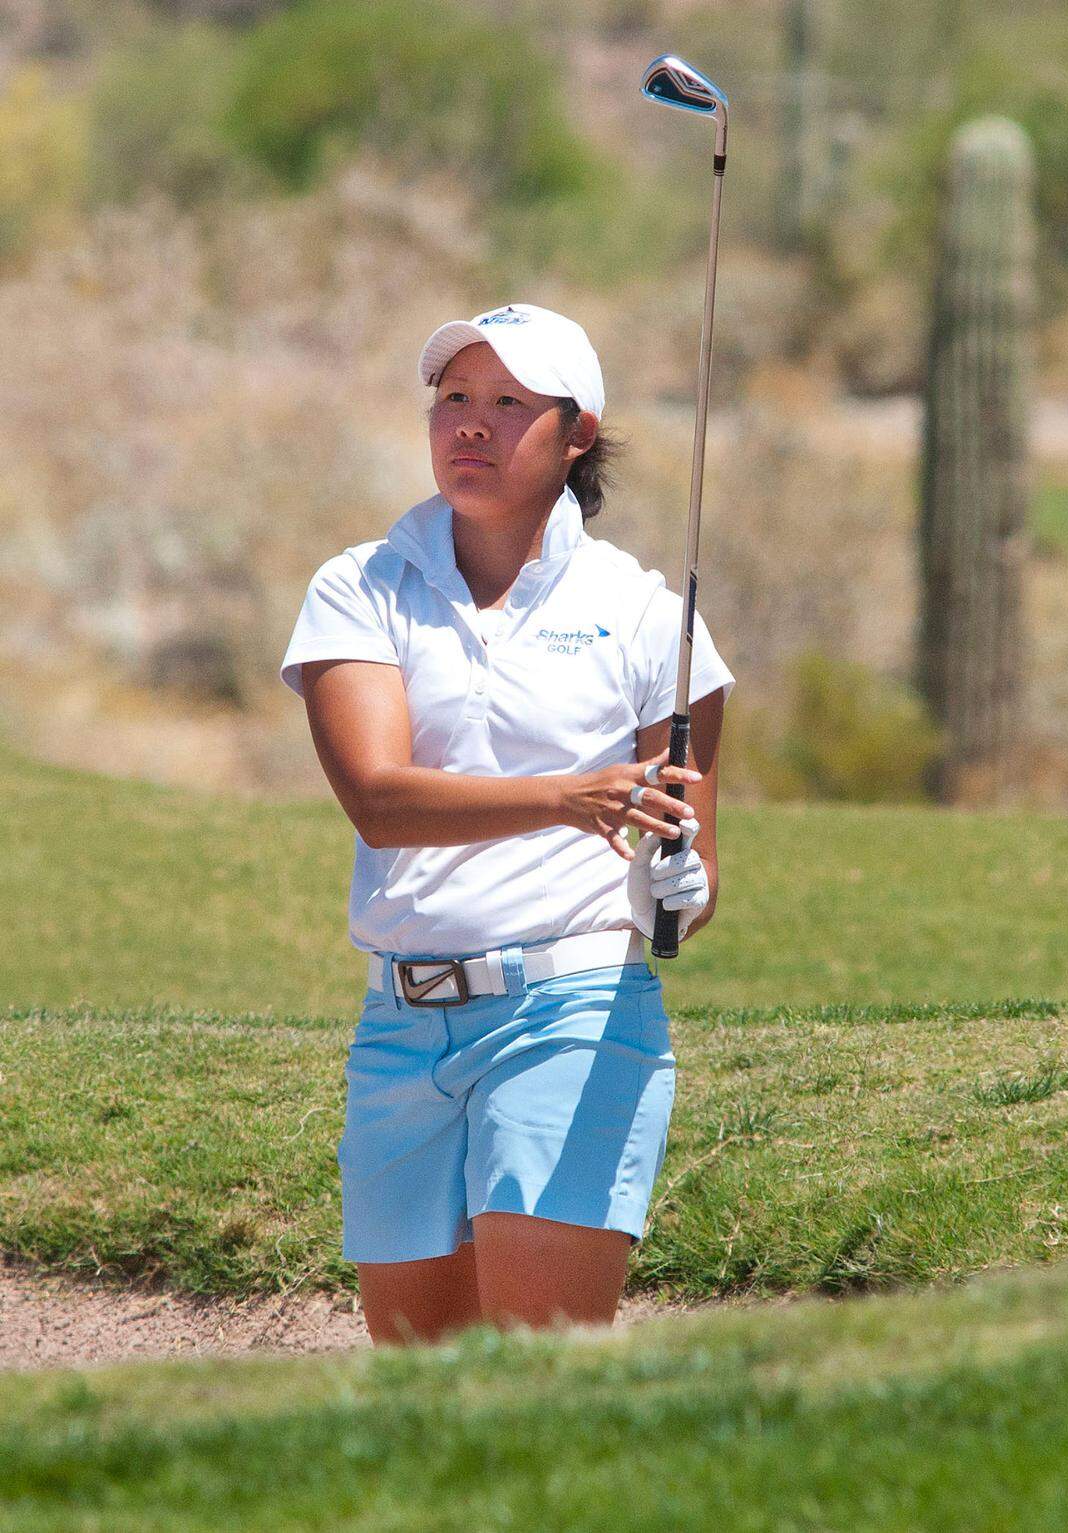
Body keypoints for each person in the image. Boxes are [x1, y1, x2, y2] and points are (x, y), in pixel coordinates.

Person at [280, 301, 735, 1347]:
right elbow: (379, 801)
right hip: (399, 1027)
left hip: (571, 1008)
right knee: (422, 1391)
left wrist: (682, 892)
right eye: (453, 398)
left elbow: (692, 859)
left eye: (506, 402)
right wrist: (568, 797)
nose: (470, 425)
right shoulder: (361, 586)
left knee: (538, 1373)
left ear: (577, 435)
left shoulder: (649, 618)